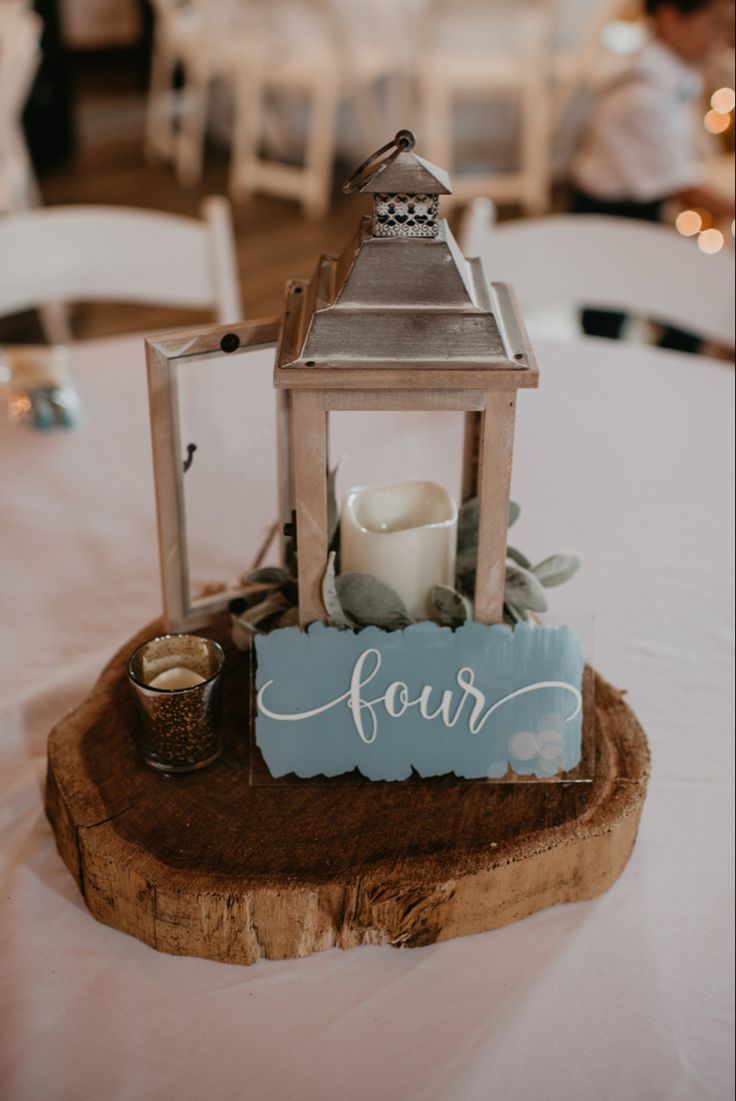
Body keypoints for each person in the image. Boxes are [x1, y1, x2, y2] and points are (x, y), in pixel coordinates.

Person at [570, 0, 735, 352]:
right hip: (609, 217)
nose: (722, 39)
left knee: (677, 306)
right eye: (716, 25)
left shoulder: (673, 75)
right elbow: (682, 186)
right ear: (670, 16)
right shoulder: (643, 94)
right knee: (607, 323)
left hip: (639, 207)